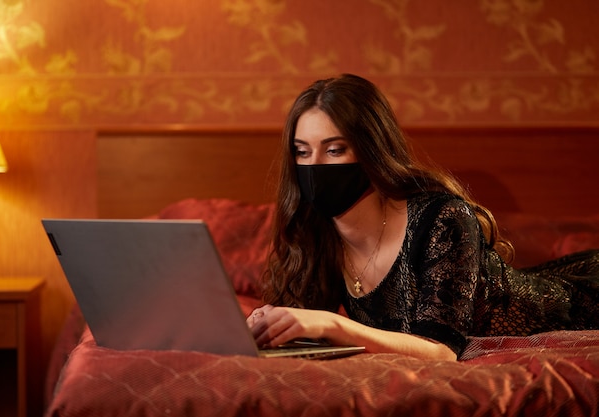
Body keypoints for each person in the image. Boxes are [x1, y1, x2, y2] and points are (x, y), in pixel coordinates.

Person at [246, 73, 599, 361]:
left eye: (335, 150)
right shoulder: (316, 230)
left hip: (580, 304)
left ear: (372, 152)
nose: (315, 167)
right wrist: (270, 324)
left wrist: (332, 324)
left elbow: (440, 351)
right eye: (302, 152)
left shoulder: (443, 218)